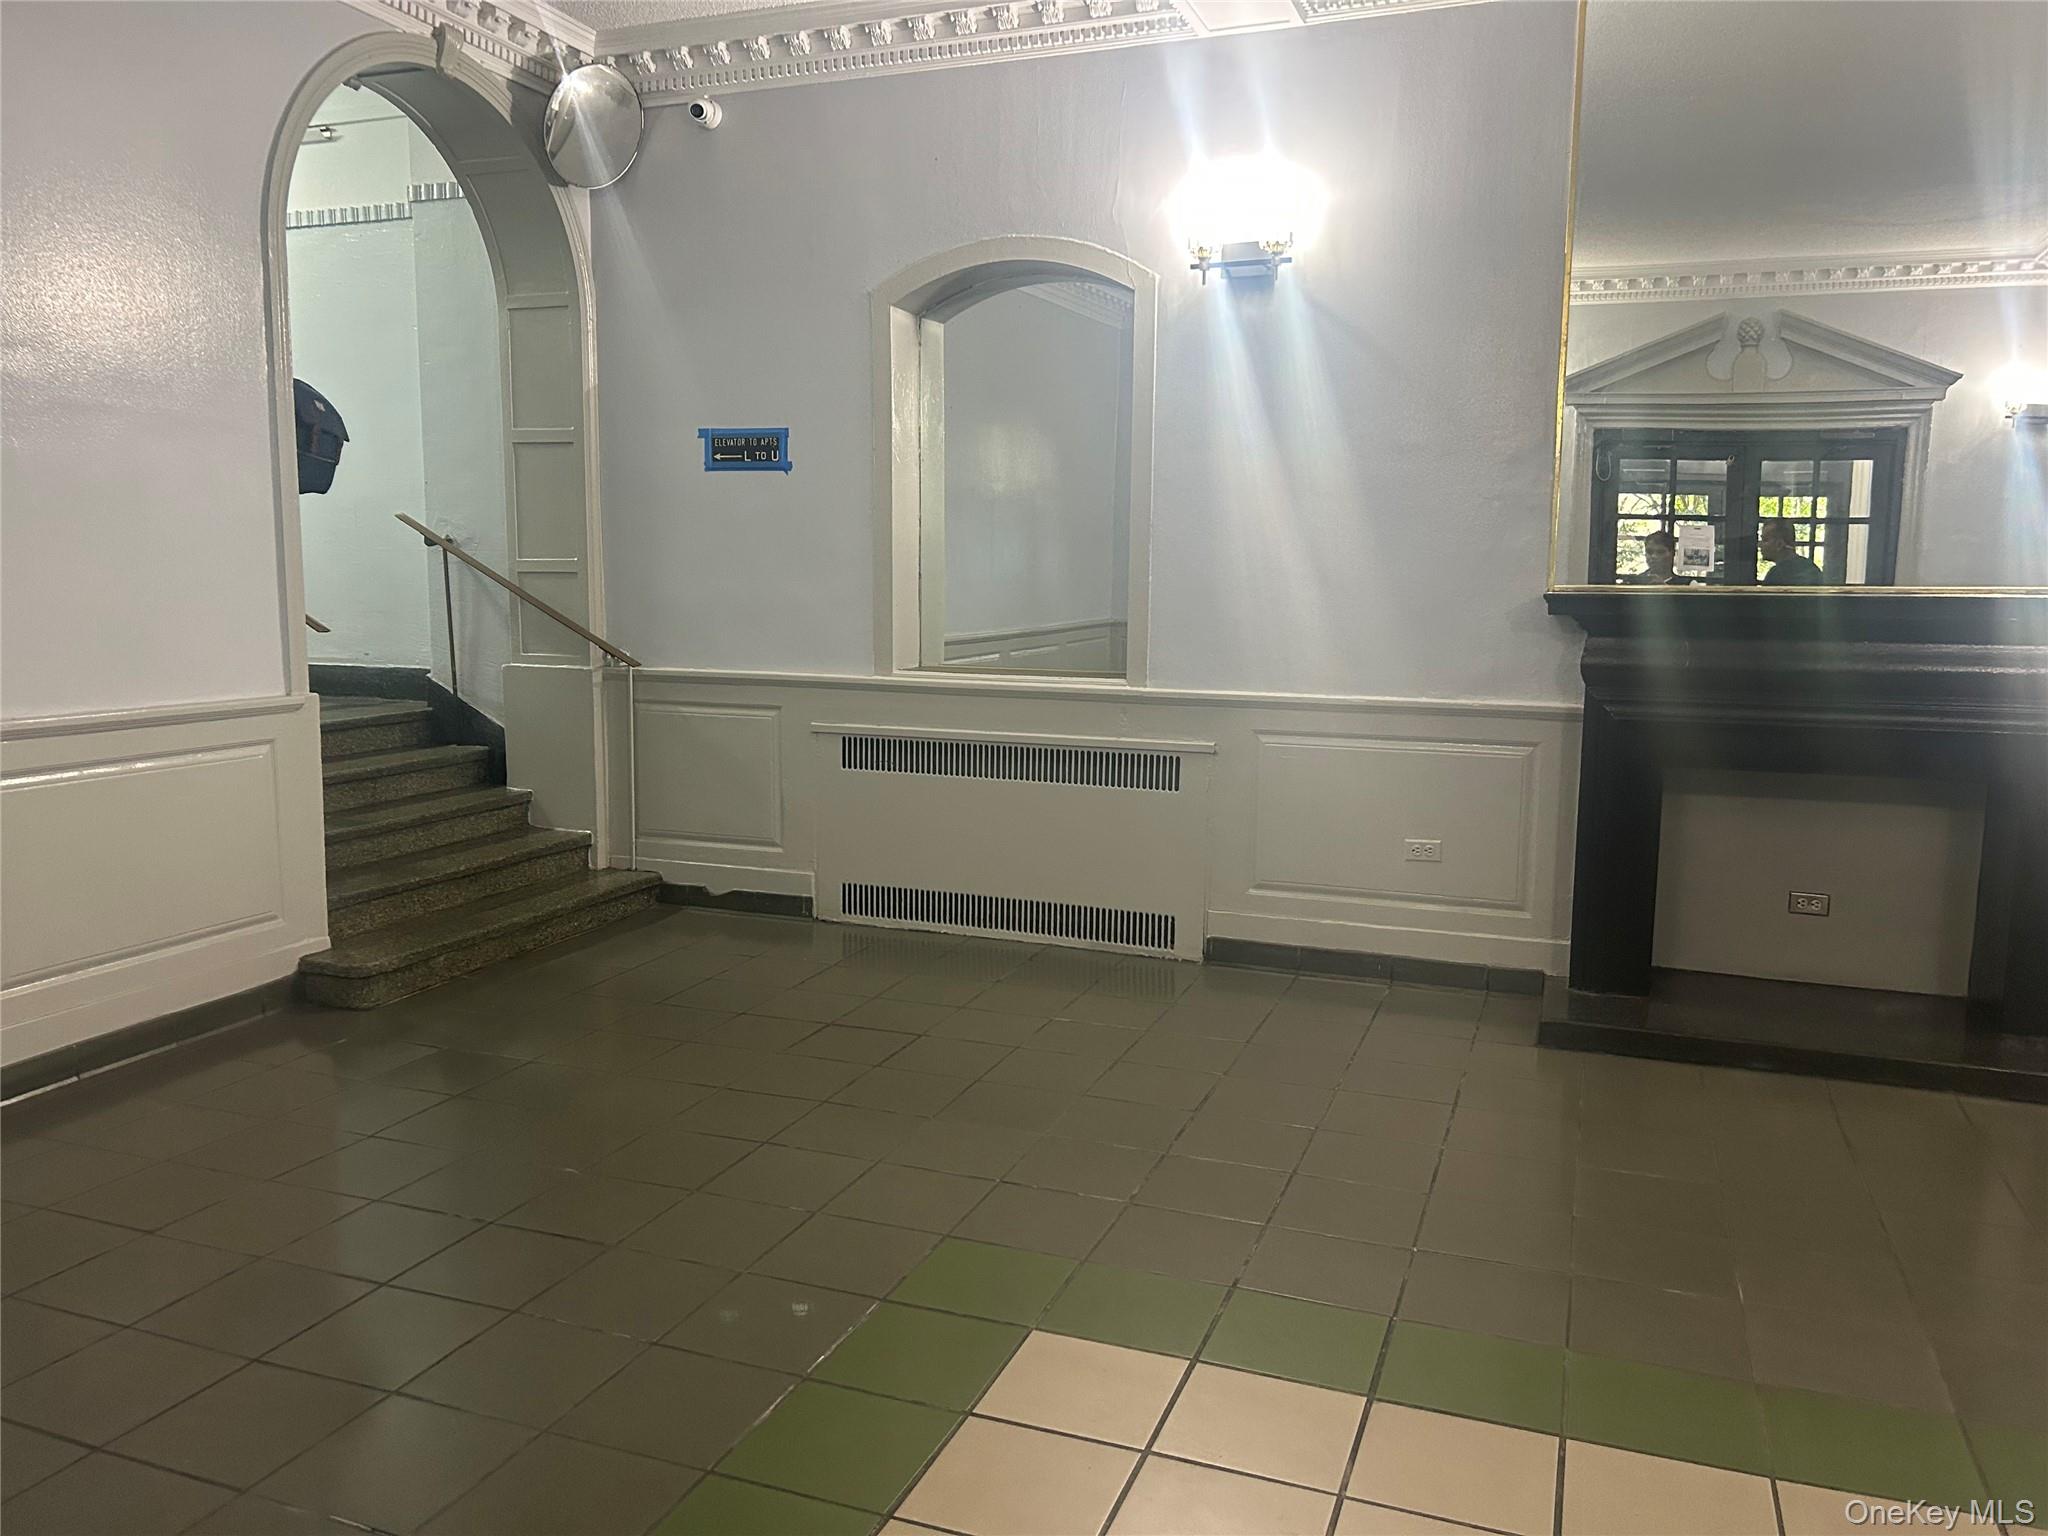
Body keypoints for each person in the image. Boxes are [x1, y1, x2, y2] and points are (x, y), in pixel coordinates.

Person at [1759, 519, 1823, 585]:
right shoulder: (1811, 568)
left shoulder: (1776, 575)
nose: (1760, 545)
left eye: (1765, 540)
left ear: (1779, 544)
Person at [1622, 529, 1693, 585]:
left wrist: (1666, 590)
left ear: (1672, 554)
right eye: (1649, 552)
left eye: (1660, 552)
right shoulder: (1633, 583)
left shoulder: (1688, 585)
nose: (1653, 556)